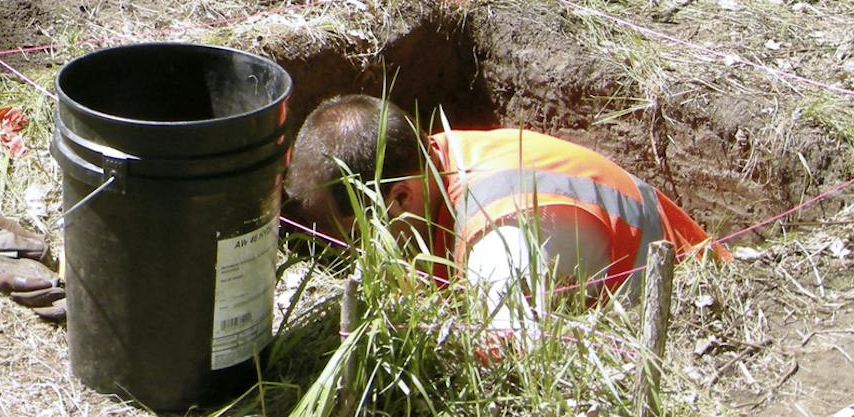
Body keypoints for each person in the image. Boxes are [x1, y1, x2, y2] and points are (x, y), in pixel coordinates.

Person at [286, 95, 728, 340]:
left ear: (399, 197)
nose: (354, 251)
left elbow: (509, 360)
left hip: (692, 310)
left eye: (356, 235)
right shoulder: (425, 160)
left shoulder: (498, 241)